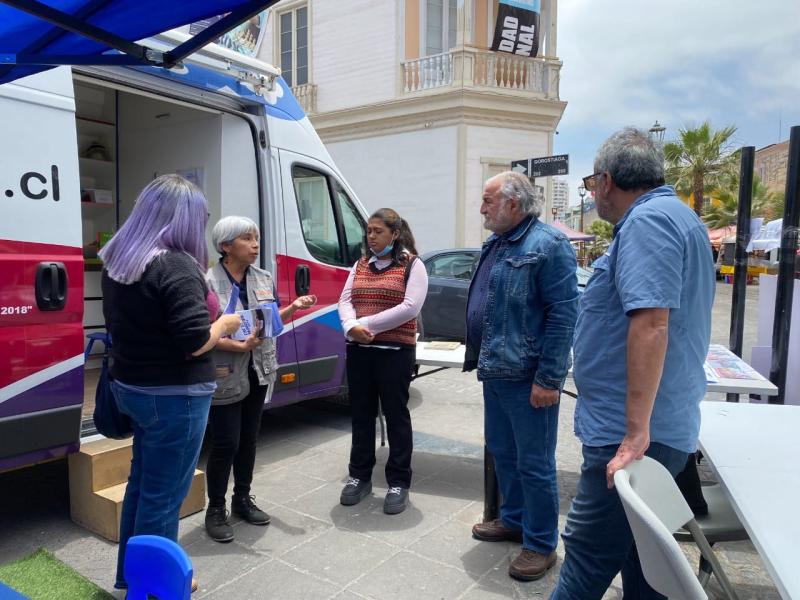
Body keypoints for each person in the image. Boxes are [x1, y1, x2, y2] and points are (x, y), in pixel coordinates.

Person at [550, 127, 715, 599]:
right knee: (643, 564)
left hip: (634, 437)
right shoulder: (675, 217)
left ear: (606, 180)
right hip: (648, 430)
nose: (592, 193)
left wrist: (635, 432)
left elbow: (651, 325)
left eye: (590, 184)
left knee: (587, 557)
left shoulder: (649, 221)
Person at [99, 175, 241, 591]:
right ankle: (155, 586)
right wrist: (224, 324)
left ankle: (131, 575)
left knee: (142, 487)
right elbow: (195, 342)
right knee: (163, 499)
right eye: (201, 218)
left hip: (133, 389)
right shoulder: (176, 265)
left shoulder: (120, 261)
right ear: (184, 219)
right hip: (174, 398)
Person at [465, 171, 579, 581]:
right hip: (495, 370)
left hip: (528, 376)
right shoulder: (496, 243)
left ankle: (541, 544)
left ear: (513, 203)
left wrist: (549, 379)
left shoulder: (549, 245)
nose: (482, 208)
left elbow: (563, 316)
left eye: (488, 200)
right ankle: (513, 520)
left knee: (534, 464)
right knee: (503, 452)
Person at [203, 216, 317, 542]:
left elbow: (270, 324)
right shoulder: (207, 282)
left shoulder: (263, 278)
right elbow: (204, 335)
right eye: (247, 239)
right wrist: (239, 346)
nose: (256, 245)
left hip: (259, 369)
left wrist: (293, 307)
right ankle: (216, 509)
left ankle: (242, 499)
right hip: (225, 373)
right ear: (226, 246)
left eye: (256, 238)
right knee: (226, 442)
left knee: (249, 439)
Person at [337, 208, 428, 515]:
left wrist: (366, 324)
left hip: (394, 354)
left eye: (378, 231)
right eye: (369, 231)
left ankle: (398, 481)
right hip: (360, 351)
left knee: (396, 416)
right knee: (361, 415)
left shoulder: (412, 265)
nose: (371, 237)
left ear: (395, 234)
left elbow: (410, 307)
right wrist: (350, 327)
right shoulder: (361, 264)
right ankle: (359, 476)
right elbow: (345, 300)